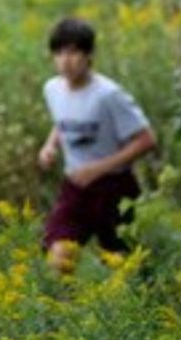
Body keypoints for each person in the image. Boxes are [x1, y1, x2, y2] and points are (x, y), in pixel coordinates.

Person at [37, 17, 156, 274]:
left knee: (124, 269)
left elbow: (146, 140)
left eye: (73, 52)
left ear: (89, 54)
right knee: (58, 258)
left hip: (114, 189)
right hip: (75, 188)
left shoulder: (108, 95)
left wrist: (98, 168)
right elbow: (63, 121)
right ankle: (67, 312)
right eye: (58, 53)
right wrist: (50, 146)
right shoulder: (52, 89)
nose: (65, 61)